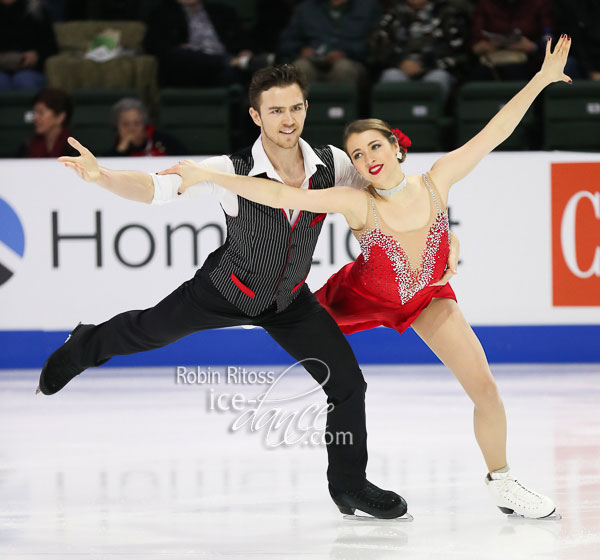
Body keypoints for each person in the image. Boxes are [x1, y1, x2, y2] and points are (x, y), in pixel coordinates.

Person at [159, 37, 574, 519]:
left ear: (396, 146)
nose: (366, 158)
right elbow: (280, 198)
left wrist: (541, 79)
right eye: (356, 155)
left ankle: (503, 482)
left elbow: (493, 132)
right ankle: (347, 479)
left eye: (375, 145)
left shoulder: (438, 180)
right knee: (318, 357)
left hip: (426, 298)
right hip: (358, 298)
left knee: (484, 386)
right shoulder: (358, 201)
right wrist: (209, 176)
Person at [37, 64, 459, 520]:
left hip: (290, 301)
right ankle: (83, 346)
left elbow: (393, 194)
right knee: (146, 331)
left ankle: (348, 484)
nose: (288, 119)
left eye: (295, 107)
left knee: (348, 385)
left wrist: (444, 235)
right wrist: (103, 176)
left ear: (306, 108)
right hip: (224, 291)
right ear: (256, 115)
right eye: (275, 110)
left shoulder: (334, 163)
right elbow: (156, 189)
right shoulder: (230, 170)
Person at [372, 0, 470, 100]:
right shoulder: (392, 13)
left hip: (436, 69)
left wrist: (424, 65)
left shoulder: (449, 13)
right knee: (391, 76)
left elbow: (457, 51)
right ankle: (398, 114)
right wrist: (399, 62)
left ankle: (429, 114)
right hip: (400, 69)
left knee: (438, 78)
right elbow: (379, 47)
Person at [144, 0, 255, 87]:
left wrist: (245, 50)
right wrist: (179, 47)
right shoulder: (161, 14)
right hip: (187, 68)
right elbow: (152, 45)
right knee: (179, 54)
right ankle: (231, 61)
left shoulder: (223, 11)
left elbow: (242, 38)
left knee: (229, 74)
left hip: (222, 67)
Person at [279, 0, 381, 86]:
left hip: (352, 61)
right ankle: (302, 109)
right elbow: (287, 42)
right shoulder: (306, 8)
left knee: (342, 68)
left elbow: (375, 44)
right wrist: (302, 51)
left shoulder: (368, 7)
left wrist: (346, 52)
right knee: (300, 67)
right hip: (312, 61)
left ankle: (342, 110)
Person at [470, 0, 553, 81]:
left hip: (528, 60)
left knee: (517, 71)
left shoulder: (538, 3)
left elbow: (547, 36)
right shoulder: (485, 4)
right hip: (490, 58)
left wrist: (534, 47)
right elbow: (476, 40)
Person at [0, 0, 57, 90]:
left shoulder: (36, 9)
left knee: (25, 80)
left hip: (30, 69)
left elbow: (51, 46)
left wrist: (37, 55)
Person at [106, 98, 186, 157]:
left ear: (144, 124)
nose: (131, 129)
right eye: (125, 124)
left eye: (136, 123)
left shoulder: (165, 141)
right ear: (117, 126)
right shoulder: (113, 150)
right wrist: (120, 150)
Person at [19, 87, 76, 158]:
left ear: (60, 117)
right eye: (35, 112)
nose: (35, 117)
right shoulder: (27, 146)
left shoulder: (75, 150)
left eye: (40, 112)